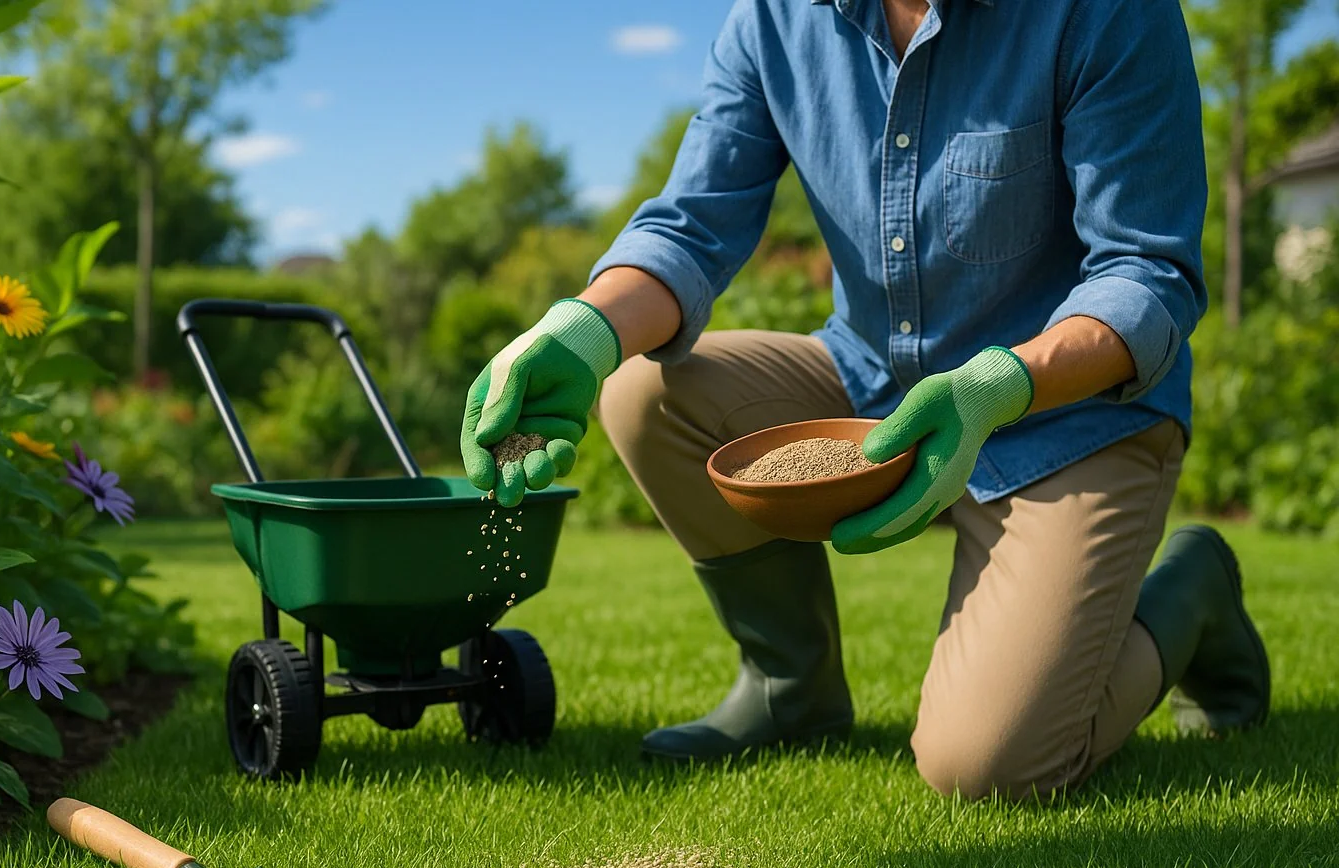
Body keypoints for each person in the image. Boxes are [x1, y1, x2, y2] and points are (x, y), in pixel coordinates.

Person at [458, 0, 1271, 800]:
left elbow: (1146, 273)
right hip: (872, 385)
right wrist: (583, 331)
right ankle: (793, 690)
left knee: (987, 767)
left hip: (1073, 416)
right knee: (645, 392)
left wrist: (1001, 386)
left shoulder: (1102, 12)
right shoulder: (775, 19)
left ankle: (1189, 594)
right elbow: (691, 226)